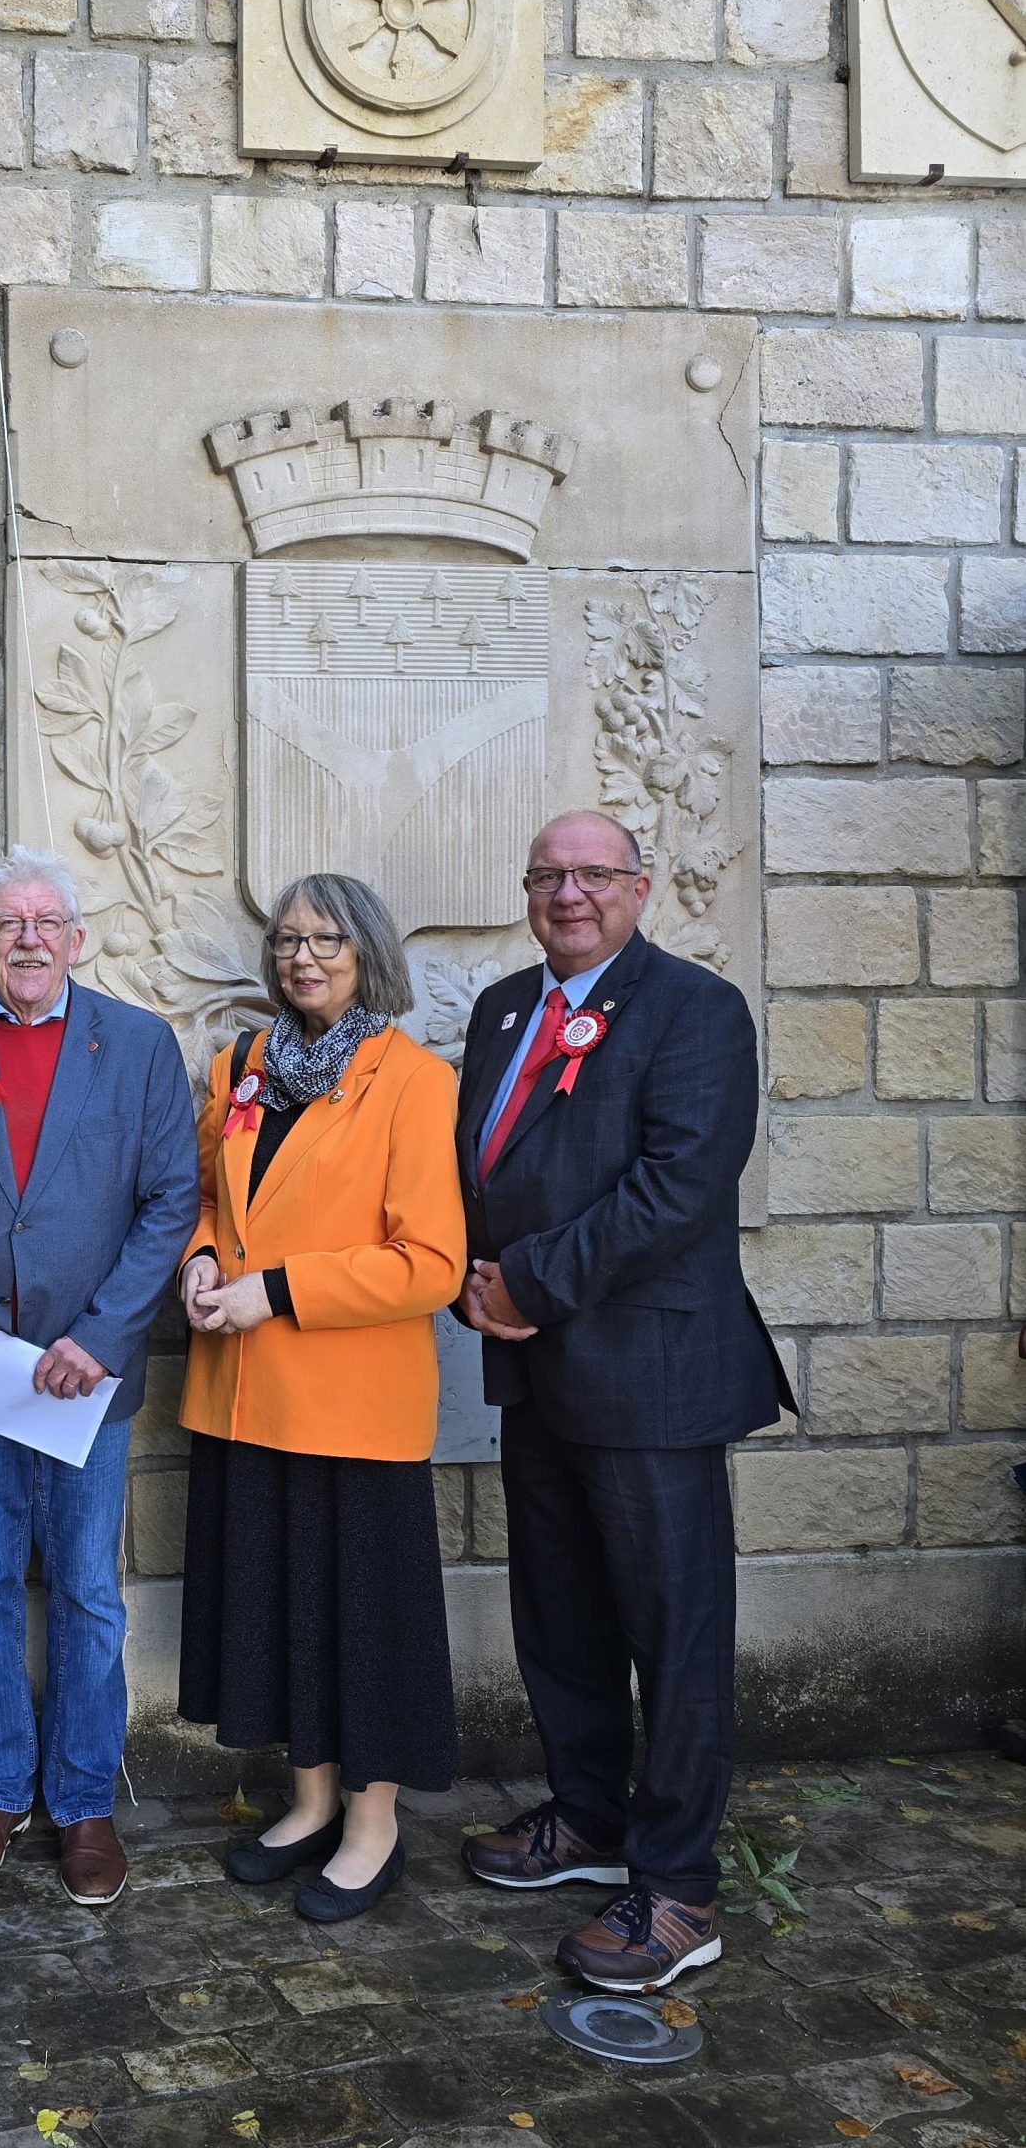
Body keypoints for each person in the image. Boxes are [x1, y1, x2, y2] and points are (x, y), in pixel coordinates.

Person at [454, 810, 793, 1993]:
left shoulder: (693, 1008)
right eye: (547, 872)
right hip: (536, 1373)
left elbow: (679, 1185)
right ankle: (587, 1816)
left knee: (674, 1634)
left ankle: (679, 1888)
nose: (567, 892)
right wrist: (467, 1278)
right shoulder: (502, 1009)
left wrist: (528, 1282)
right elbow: (478, 1172)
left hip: (649, 1375)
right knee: (561, 1617)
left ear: (638, 888)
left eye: (593, 873)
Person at [0, 847, 198, 1907]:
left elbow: (170, 1200)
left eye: (46, 920)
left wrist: (104, 1333)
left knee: (82, 1591)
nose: (28, 936)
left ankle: (80, 1802)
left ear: (76, 937)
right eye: (7, 922)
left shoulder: (140, 1045)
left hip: (84, 1379)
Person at [178, 874, 467, 1924]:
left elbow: (430, 1262)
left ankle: (371, 1823)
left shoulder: (414, 1080)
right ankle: (304, 1803)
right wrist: (203, 1263)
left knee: (360, 1617)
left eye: (326, 940)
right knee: (279, 1607)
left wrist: (278, 1291)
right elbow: (213, 1200)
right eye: (289, 940)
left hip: (352, 1405)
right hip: (245, 1393)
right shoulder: (238, 1067)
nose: (303, 957)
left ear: (367, 951)